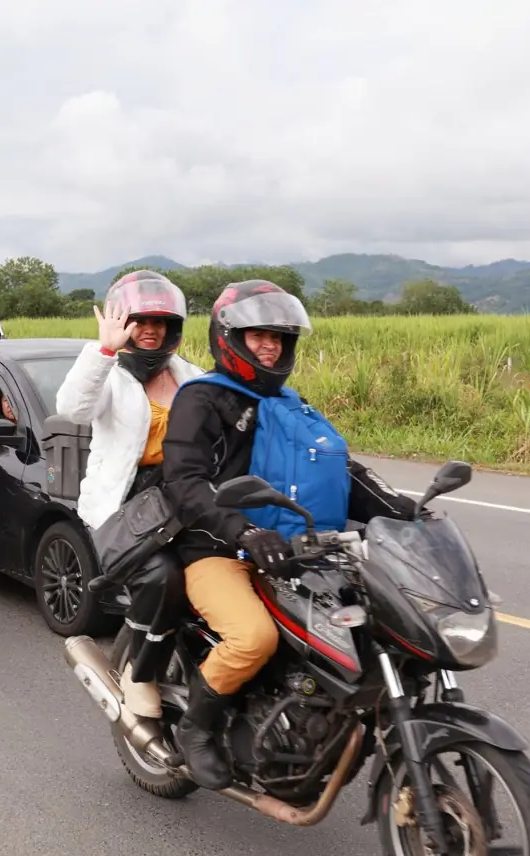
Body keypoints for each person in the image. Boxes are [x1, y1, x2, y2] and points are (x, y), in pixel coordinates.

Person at [161, 280, 422, 790]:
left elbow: (340, 471)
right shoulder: (202, 398)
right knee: (252, 638)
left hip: (295, 550)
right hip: (218, 550)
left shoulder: (289, 404)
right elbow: (184, 483)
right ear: (228, 338)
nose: (270, 347)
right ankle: (197, 728)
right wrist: (244, 531)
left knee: (370, 630)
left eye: (279, 338)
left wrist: (402, 511)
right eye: (259, 335)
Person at [54, 270, 203, 720]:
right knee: (162, 577)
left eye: (160, 322)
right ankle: (140, 672)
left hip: (181, 500)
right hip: (125, 508)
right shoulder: (112, 377)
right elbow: (73, 408)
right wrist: (104, 350)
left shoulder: (191, 377)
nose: (150, 330)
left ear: (173, 328)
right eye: (140, 321)